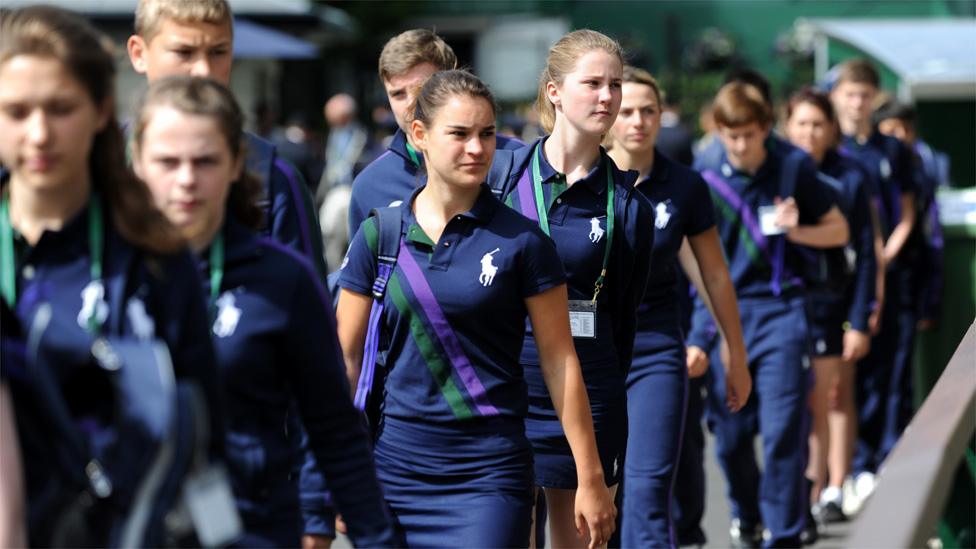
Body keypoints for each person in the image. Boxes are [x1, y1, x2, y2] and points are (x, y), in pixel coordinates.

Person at [336, 69, 616, 548]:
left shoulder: (524, 241)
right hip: (392, 472)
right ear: (420, 135)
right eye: (460, 134)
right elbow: (345, 359)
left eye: (486, 134)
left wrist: (589, 477)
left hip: (489, 476)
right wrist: (334, 472)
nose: (477, 148)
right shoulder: (379, 234)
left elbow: (559, 360)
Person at [130, 76, 395, 548]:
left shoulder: (282, 278)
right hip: (129, 525)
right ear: (137, 164)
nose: (187, 179)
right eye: (167, 162)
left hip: (252, 524)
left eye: (205, 161)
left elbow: (333, 428)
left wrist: (370, 535)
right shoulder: (105, 273)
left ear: (235, 164)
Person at [0, 6, 224, 545]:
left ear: (102, 111)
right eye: (16, 110)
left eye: (60, 108)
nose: (39, 133)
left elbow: (205, 440)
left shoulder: (154, 258)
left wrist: (221, 536)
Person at [486, 30, 654, 548]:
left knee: (582, 538)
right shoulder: (499, 176)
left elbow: (623, 318)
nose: (608, 97)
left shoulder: (629, 206)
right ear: (554, 91)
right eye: (593, 83)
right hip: (501, 385)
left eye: (615, 85)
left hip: (589, 389)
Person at [689, 81, 849, 548]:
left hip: (781, 309)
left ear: (765, 130)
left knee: (782, 429)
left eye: (749, 135)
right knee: (733, 433)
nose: (740, 146)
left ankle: (785, 531)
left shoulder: (792, 166)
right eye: (730, 136)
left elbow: (838, 229)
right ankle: (747, 515)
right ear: (718, 132)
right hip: (724, 311)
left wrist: (798, 231)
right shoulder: (703, 173)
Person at [606, 66, 751, 548]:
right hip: (588, 353)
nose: (639, 121)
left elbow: (714, 276)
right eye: (627, 110)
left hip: (655, 348)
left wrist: (734, 352)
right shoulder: (580, 179)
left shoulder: (685, 185)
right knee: (599, 496)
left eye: (649, 110)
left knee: (647, 490)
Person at [126, 0, 327, 278]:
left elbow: (305, 305)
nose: (203, 70)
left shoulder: (272, 177)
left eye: (218, 52)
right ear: (139, 54)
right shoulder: (94, 165)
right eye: (184, 52)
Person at [784, 87, 879, 526]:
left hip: (835, 301)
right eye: (801, 123)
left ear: (832, 128)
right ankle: (809, 485)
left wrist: (860, 318)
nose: (809, 132)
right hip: (787, 301)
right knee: (803, 401)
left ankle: (834, 487)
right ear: (787, 126)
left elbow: (865, 250)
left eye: (818, 124)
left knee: (836, 395)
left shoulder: (852, 176)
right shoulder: (777, 171)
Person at [829, 59, 918, 509]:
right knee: (845, 377)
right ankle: (848, 468)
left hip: (890, 275)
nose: (858, 103)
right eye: (850, 93)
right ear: (837, 96)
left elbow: (906, 211)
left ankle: (881, 460)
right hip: (841, 282)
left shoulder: (892, 150)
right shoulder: (829, 151)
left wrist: (883, 256)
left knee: (891, 373)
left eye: (865, 95)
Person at [346, 28, 524, 237]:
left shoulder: (517, 160)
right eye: (397, 94)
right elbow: (366, 269)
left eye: (423, 88)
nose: (411, 103)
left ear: (452, 78)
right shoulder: (370, 184)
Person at [874, 100, 944, 333]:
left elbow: (931, 233)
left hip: (908, 273)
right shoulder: (862, 165)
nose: (901, 136)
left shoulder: (922, 169)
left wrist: (931, 300)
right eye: (893, 129)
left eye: (907, 129)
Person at [319, 93, 369, 270]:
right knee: (330, 234)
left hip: (349, 192)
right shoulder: (335, 135)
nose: (332, 122)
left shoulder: (360, 136)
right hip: (335, 192)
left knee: (350, 238)